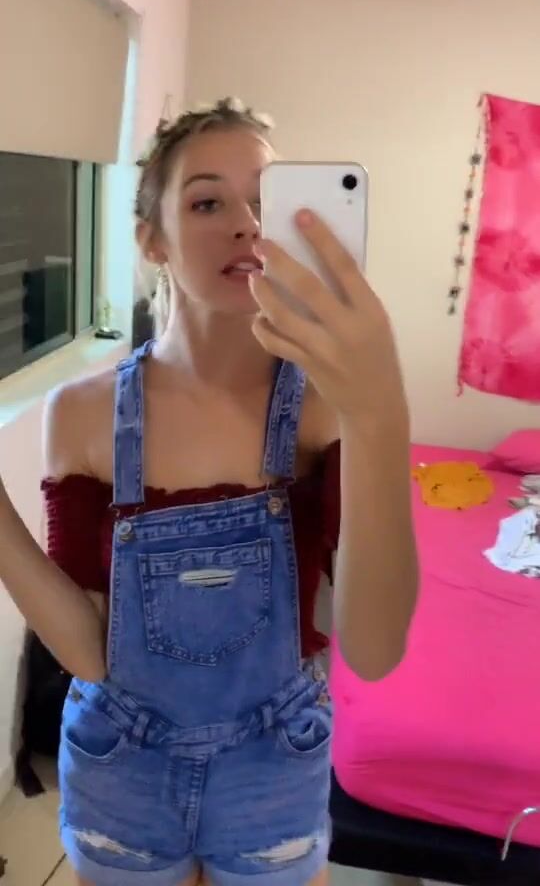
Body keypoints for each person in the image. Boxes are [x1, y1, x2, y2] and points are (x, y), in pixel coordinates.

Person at [0, 98, 417, 886]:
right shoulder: (82, 412)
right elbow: (88, 651)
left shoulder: (325, 406)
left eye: (265, 201)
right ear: (151, 240)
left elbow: (374, 649)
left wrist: (380, 416)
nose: (246, 225)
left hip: (276, 770)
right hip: (121, 771)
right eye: (206, 202)